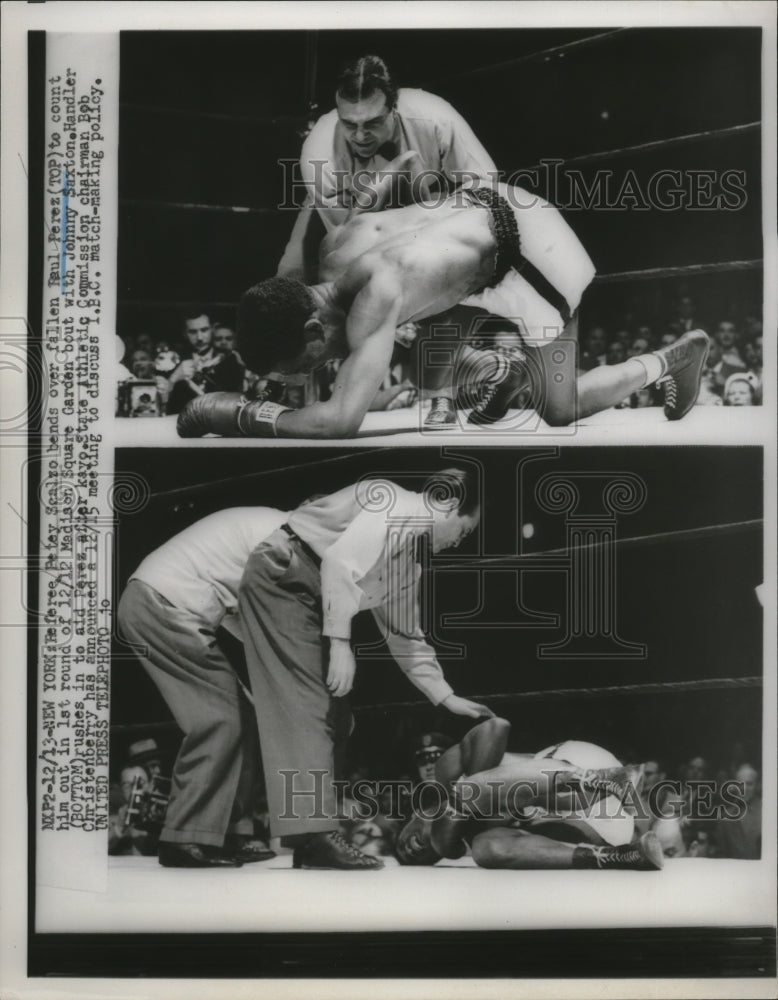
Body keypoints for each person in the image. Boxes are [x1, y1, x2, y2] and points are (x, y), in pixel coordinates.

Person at [178, 182, 710, 440]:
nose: (312, 374)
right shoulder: (336, 249)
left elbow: (338, 422)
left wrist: (235, 413)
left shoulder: (375, 300)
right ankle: (511, 377)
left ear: (314, 329)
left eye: (304, 364)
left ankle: (677, 357)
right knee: (423, 316)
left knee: (560, 409)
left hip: (533, 251)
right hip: (478, 216)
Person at [237, 468, 493, 870]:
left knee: (337, 717)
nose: (463, 539)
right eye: (464, 528)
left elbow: (405, 635)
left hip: (312, 595)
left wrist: (445, 695)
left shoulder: (408, 563)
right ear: (449, 502)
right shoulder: (392, 503)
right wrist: (340, 641)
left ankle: (309, 838)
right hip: (284, 575)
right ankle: (316, 833)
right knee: (311, 706)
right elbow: (340, 561)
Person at [117, 505, 291, 868]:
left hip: (164, 602)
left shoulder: (269, 530)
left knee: (242, 712)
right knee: (220, 718)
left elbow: (246, 623)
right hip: (164, 603)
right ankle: (185, 836)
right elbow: (266, 621)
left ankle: (227, 833)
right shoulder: (281, 534)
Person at [277, 54, 497, 281]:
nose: (360, 136)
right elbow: (350, 245)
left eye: (373, 123)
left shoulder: (435, 117)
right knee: (294, 277)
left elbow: (488, 189)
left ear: (394, 109)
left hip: (431, 197)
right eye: (349, 124)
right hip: (352, 210)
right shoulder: (318, 151)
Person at [394, 717, 663, 872]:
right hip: (602, 829)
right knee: (487, 849)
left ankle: (609, 779)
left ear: (416, 814)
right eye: (414, 858)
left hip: (580, 770)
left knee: (470, 792)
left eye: (401, 845)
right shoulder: (467, 843)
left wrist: (471, 788)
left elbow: (496, 727)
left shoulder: (445, 774)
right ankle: (619, 857)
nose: (410, 852)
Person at [167, 310, 245, 415]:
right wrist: (174, 378)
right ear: (185, 333)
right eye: (193, 332)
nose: (199, 337)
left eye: (204, 330)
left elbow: (235, 398)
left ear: (212, 329)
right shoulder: (173, 360)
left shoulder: (230, 359)